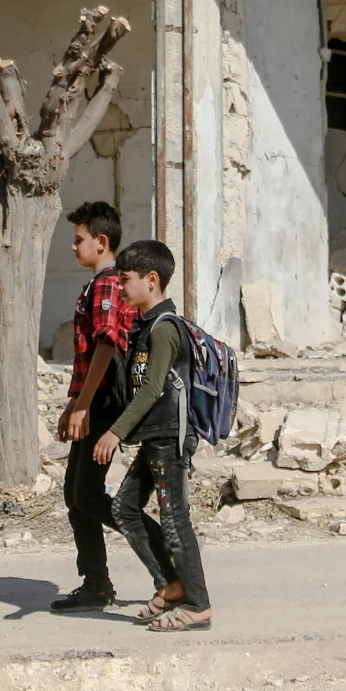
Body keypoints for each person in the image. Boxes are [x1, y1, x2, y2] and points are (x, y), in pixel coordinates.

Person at [95, 239, 212, 632]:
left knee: (175, 520)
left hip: (170, 438)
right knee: (123, 508)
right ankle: (171, 584)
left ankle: (198, 604)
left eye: (126, 280)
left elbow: (152, 389)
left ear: (151, 279)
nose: (121, 288)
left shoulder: (165, 329)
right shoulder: (145, 326)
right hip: (153, 438)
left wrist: (115, 432)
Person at [51, 201, 131, 612]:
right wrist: (71, 405)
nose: (73, 247)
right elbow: (85, 357)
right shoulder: (98, 283)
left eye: (78, 240)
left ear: (101, 242)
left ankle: (163, 552)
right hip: (88, 399)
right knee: (75, 494)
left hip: (101, 403)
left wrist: (83, 406)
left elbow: (105, 345)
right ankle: (96, 583)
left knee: (86, 495)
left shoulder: (107, 284)